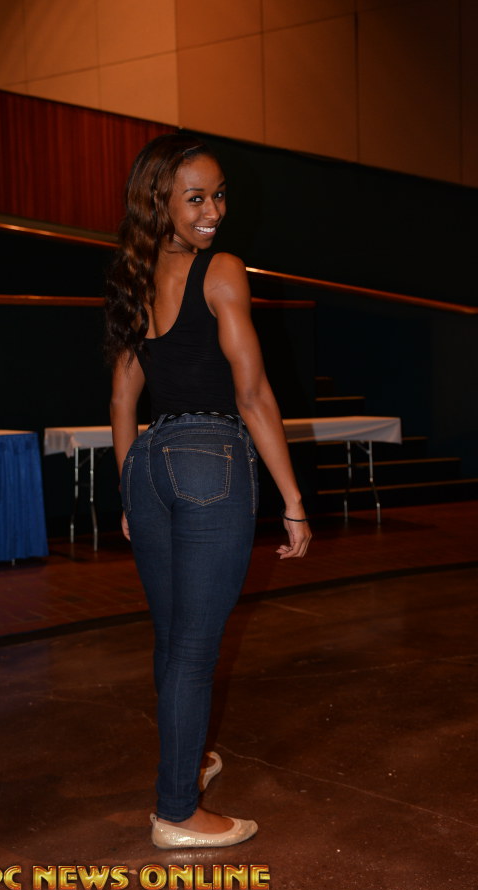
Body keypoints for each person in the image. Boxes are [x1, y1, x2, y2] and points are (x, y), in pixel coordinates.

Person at [105, 133, 311, 849]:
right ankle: (177, 813)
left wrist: (129, 489)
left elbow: (123, 400)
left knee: (173, 639)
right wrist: (292, 500)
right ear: (158, 201)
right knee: (194, 648)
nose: (213, 211)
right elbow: (252, 395)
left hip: (149, 464)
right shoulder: (221, 271)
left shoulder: (135, 275)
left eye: (219, 195)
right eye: (195, 198)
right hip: (208, 461)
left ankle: (185, 764)